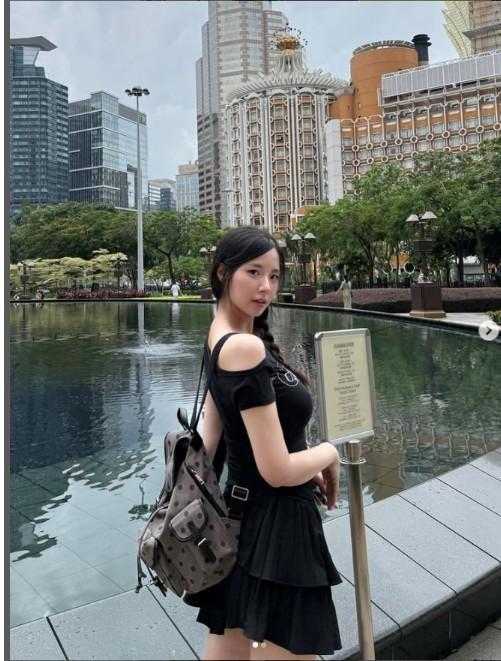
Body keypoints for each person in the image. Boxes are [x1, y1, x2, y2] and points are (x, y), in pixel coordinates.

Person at [188, 226, 342, 661]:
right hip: (279, 528)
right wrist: (329, 452)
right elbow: (276, 471)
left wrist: (299, 461)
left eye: (274, 276)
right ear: (223, 273)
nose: (266, 287)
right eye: (253, 272)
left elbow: (212, 440)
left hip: (242, 520)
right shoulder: (244, 348)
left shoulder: (219, 336)